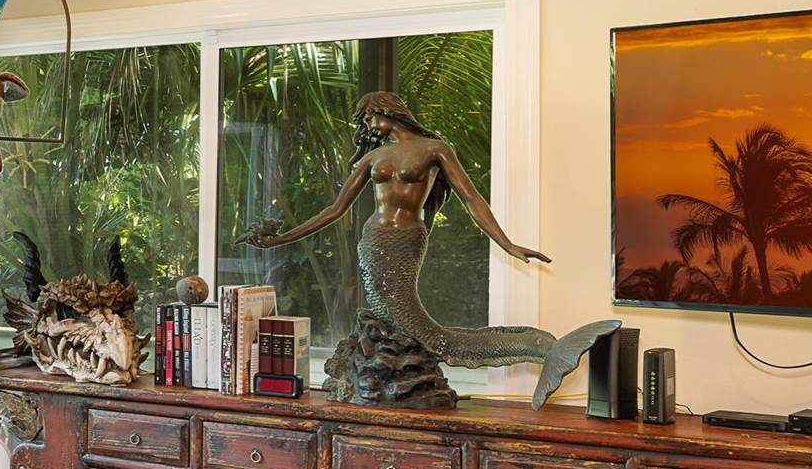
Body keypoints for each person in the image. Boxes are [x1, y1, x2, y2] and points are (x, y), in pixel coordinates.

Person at [244, 90, 613, 407]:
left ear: (387, 110)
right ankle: (541, 346)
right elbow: (334, 210)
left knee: (425, 331)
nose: (368, 125)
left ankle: (543, 347)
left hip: (406, 239)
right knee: (408, 326)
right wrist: (279, 239)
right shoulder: (373, 158)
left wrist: (507, 244)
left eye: (370, 116)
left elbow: (471, 198)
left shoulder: (435, 149)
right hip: (373, 241)